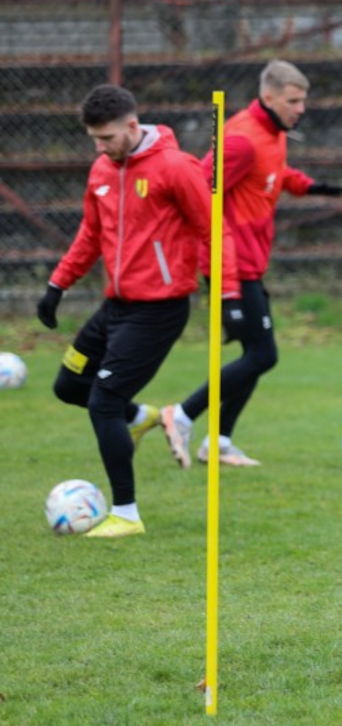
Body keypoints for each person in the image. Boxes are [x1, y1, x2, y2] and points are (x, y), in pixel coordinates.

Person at [36, 84, 240, 538]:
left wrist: (227, 295)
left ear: (132, 125)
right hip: (116, 306)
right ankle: (141, 417)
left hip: (158, 311)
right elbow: (91, 234)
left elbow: (214, 230)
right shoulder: (102, 170)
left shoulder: (176, 167)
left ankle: (126, 514)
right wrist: (57, 284)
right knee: (69, 385)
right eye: (94, 139)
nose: (100, 147)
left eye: (107, 138)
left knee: (103, 401)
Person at [160, 60, 342, 468]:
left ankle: (219, 442)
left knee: (255, 355)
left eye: (303, 100)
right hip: (231, 265)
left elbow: (273, 171)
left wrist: (310, 186)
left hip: (251, 263)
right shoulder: (242, 140)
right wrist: (223, 279)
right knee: (263, 355)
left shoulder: (274, 132)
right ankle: (182, 415)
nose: (301, 109)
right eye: (293, 101)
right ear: (268, 97)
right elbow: (198, 192)